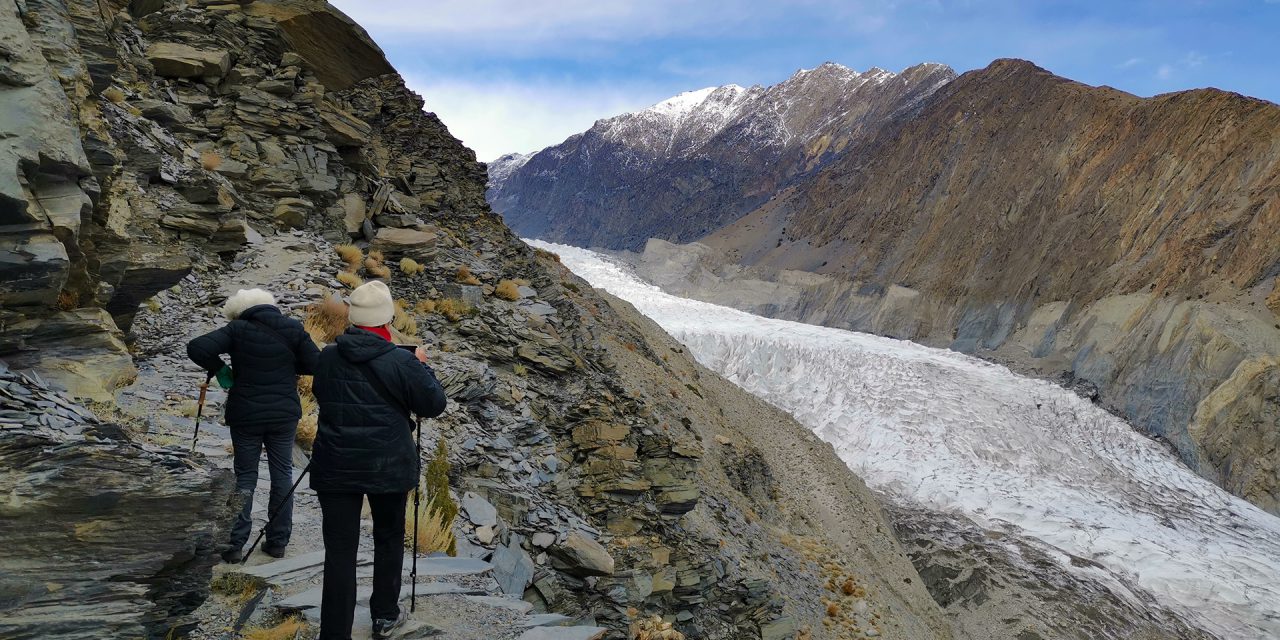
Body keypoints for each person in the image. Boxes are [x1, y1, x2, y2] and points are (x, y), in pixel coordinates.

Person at [310, 281, 447, 640]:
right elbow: (433, 405)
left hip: (335, 464)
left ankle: (334, 632)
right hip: (388, 464)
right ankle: (384, 616)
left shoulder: (327, 356)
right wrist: (422, 367)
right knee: (388, 538)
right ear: (387, 319)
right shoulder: (401, 360)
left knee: (339, 549)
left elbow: (322, 395)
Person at [187, 288, 320, 563]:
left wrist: (223, 371)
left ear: (242, 310)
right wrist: (288, 365)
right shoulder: (292, 328)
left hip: (246, 413)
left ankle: (234, 545)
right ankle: (277, 542)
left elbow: (197, 347)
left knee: (245, 475)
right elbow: (316, 363)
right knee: (282, 472)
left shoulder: (237, 329)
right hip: (283, 413)